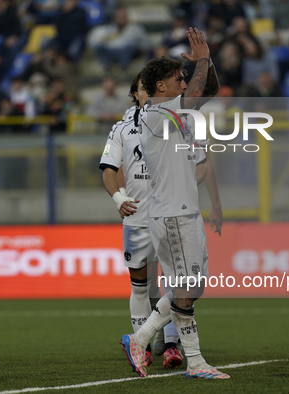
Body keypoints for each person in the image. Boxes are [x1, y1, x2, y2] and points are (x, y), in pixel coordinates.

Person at [120, 28, 229, 379]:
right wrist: (202, 59)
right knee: (188, 287)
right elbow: (197, 91)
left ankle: (143, 340)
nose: (184, 82)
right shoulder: (154, 115)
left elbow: (206, 88)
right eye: (177, 78)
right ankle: (190, 360)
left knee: (187, 287)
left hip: (183, 211)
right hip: (172, 214)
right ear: (161, 87)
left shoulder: (176, 112)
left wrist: (203, 63)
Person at [99, 72, 184, 369]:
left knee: (180, 282)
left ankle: (171, 343)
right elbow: (109, 169)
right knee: (141, 287)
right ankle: (143, 346)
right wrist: (119, 198)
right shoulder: (122, 129)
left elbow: (195, 164)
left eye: (151, 88)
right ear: (135, 94)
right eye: (142, 89)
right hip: (137, 220)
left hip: (170, 216)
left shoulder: (172, 123)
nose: (148, 93)